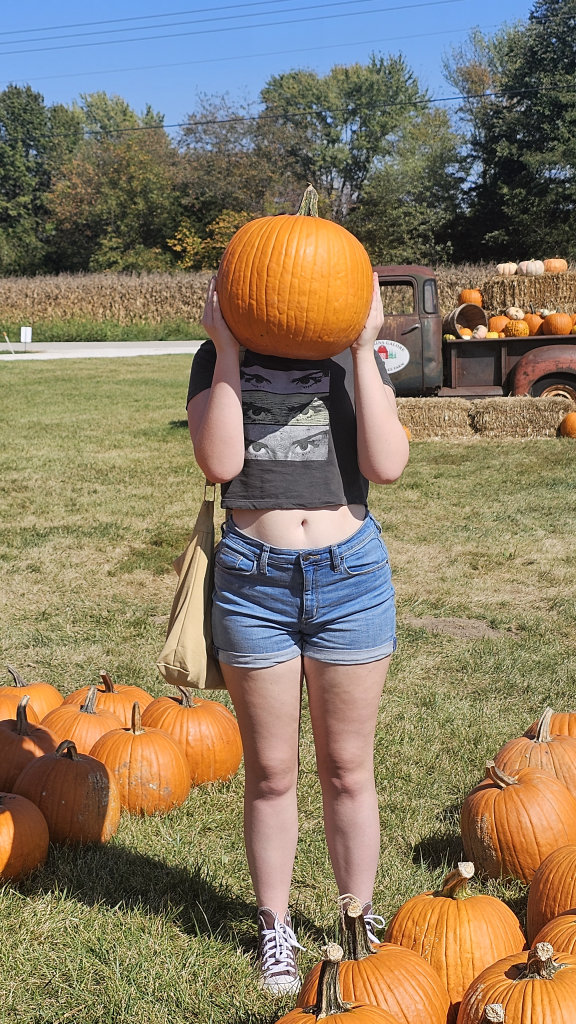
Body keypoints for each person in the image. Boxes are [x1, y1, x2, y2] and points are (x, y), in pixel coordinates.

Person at [186, 271, 409, 996]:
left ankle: (356, 918)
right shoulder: (213, 357)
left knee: (348, 770)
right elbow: (221, 464)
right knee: (272, 772)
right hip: (255, 582)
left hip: (351, 578)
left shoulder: (354, 357)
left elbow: (387, 465)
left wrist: (367, 346)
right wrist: (224, 349)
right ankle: (275, 926)